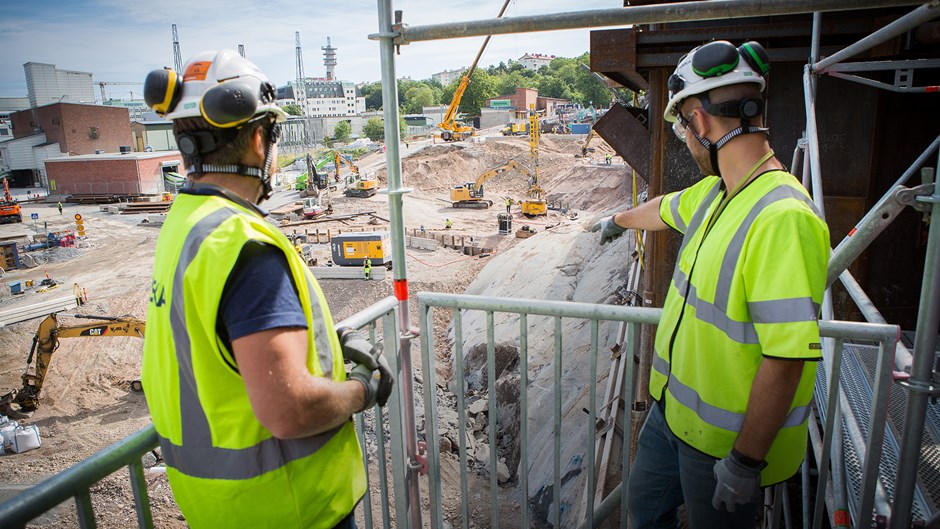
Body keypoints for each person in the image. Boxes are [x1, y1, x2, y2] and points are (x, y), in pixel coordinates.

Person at [140, 50, 394, 529]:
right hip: (294, 510)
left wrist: (319, 352)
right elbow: (290, 409)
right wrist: (363, 389)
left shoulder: (184, 226)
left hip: (222, 512)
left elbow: (222, 351)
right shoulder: (246, 247)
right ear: (260, 140)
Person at [591, 40, 829, 528]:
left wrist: (744, 462)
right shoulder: (718, 193)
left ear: (699, 121)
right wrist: (619, 218)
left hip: (725, 446)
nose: (685, 136)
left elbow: (785, 358)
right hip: (671, 415)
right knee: (644, 511)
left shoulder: (782, 216)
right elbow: (662, 208)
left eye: (682, 126)